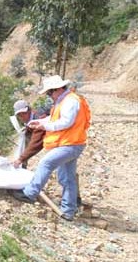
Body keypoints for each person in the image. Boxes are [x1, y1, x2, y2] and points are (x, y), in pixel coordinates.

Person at [13, 75, 91, 221]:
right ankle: (68, 210)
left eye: (50, 93)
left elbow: (66, 122)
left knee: (46, 163)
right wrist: (39, 122)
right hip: (69, 143)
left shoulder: (71, 101)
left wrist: (44, 125)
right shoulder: (63, 101)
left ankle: (30, 193)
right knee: (67, 177)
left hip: (71, 143)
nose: (49, 96)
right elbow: (54, 118)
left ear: (59, 89)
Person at [11, 100, 45, 169]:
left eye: (24, 113)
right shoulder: (29, 121)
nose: (22, 117)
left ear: (29, 110)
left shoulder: (38, 119)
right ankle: (23, 166)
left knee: (45, 164)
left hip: (61, 143)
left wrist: (21, 159)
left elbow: (35, 143)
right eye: (19, 115)